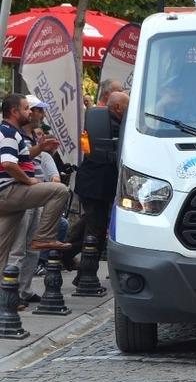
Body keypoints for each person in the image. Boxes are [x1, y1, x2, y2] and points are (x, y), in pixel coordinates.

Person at [0, 93, 71, 271]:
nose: (29, 113)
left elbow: (20, 157)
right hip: (10, 191)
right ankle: (44, 237)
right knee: (59, 190)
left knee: (3, 248)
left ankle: (3, 294)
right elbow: (8, 163)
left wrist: (39, 148)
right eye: (26, 109)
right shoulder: (9, 133)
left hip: (10, 195)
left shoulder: (10, 132)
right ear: (15, 112)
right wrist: (29, 180)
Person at [64, 92, 129, 265]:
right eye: (126, 106)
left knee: (89, 223)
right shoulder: (111, 125)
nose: (129, 110)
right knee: (96, 230)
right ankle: (86, 274)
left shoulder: (105, 121)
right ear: (116, 107)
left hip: (96, 185)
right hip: (95, 186)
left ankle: (61, 254)